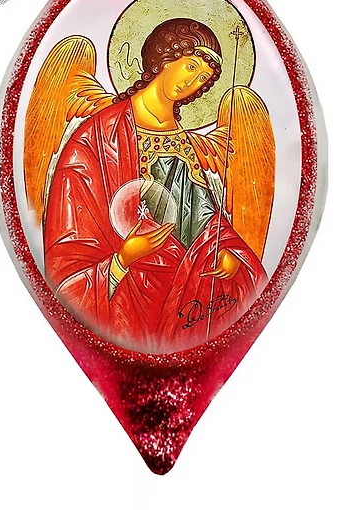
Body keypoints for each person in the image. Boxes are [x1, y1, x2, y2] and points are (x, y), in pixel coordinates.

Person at [43, 18, 267, 353]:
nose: (191, 82)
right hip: (126, 297)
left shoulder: (187, 143)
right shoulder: (98, 137)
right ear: (165, 58)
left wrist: (227, 255)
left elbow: (205, 220)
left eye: (203, 78)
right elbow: (69, 245)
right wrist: (122, 259)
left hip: (186, 292)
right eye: (190, 67)